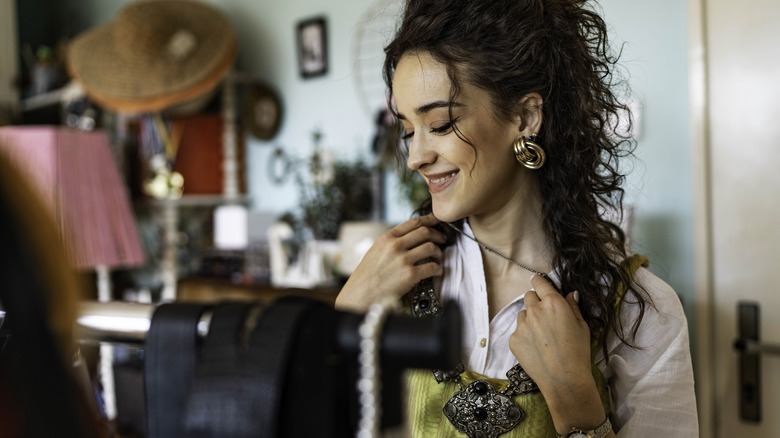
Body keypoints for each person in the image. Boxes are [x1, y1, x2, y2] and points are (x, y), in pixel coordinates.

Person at [335, 0, 699, 437]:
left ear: (525, 117)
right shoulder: (395, 280)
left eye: (442, 124)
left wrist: (576, 405)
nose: (415, 157)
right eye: (409, 130)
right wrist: (344, 317)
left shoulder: (642, 312)